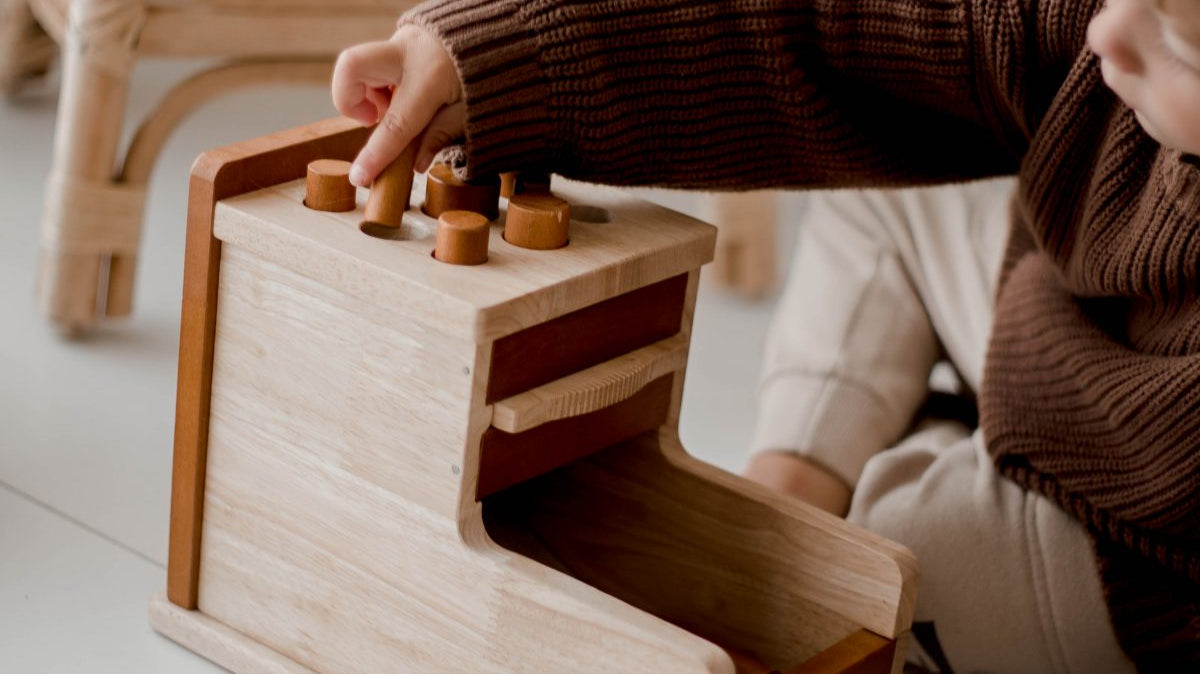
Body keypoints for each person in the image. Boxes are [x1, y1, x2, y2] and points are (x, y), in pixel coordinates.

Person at [331, 1, 1200, 671]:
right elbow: (840, 31)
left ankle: (905, 458)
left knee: (900, 566)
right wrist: (502, 59)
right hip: (1067, 313)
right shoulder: (1113, 29)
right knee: (892, 189)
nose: (1109, 33)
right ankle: (794, 476)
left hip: (1148, 540)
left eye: (1178, 42)